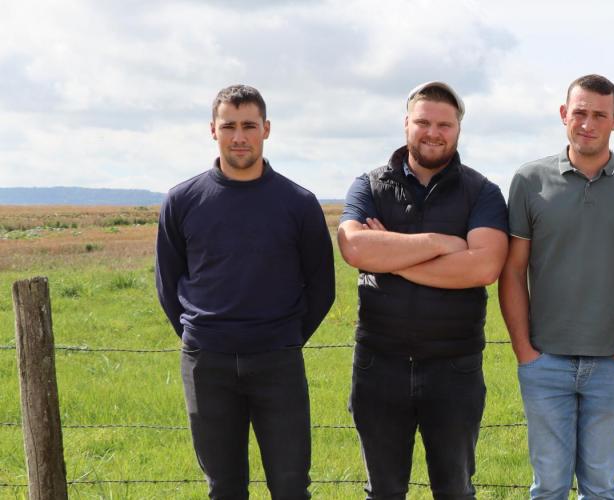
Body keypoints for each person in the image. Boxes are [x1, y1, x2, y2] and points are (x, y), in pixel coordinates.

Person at [155, 84, 335, 499]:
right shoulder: (182, 201)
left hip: (278, 363)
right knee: (224, 488)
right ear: (212, 130)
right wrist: (202, 336)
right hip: (207, 365)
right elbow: (168, 284)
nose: (239, 137)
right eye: (229, 126)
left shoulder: (299, 203)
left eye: (249, 126)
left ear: (266, 129)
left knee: (291, 486)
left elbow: (322, 287)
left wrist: (283, 338)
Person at [337, 81, 508, 500]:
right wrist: (441, 245)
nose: (433, 132)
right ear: (406, 124)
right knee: (383, 492)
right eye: (423, 122)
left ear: (458, 130)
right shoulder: (370, 184)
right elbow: (354, 246)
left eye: (444, 124)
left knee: (454, 491)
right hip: (379, 364)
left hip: (454, 368)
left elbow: (484, 266)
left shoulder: (482, 192)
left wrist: (392, 256)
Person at [499, 74, 614, 499]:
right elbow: (513, 271)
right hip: (545, 361)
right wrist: (524, 350)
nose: (588, 123)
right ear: (563, 115)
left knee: (600, 485)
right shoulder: (528, 181)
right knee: (548, 485)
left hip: (612, 363)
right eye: (580, 113)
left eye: (599, 115)